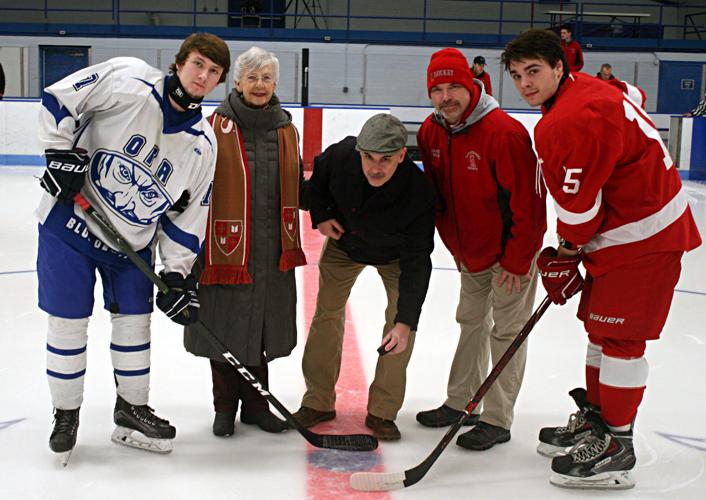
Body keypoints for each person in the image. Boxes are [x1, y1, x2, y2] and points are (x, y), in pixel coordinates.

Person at [502, 28, 701, 490]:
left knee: (621, 342)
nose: (526, 83)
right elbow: (632, 92)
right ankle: (598, 419)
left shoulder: (568, 120)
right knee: (601, 330)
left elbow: (579, 208)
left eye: (534, 71)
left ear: (559, 68)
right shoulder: (594, 89)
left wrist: (567, 253)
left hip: (643, 239)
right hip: (624, 237)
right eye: (517, 75)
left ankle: (617, 444)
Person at [36, 33, 230, 461]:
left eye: (213, 72)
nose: (203, 76)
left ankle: (131, 410)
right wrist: (57, 154)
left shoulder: (203, 144)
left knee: (135, 327)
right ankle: (65, 414)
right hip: (70, 226)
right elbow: (61, 99)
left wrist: (178, 273)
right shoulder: (128, 79)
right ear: (179, 63)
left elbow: (188, 215)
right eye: (198, 64)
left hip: (132, 246)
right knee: (68, 324)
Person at [415, 48, 546, 451]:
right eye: (437, 89)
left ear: (473, 85)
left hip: (510, 257)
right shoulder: (430, 131)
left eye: (455, 85)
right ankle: (461, 403)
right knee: (470, 322)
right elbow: (438, 197)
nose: (446, 96)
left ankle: (497, 417)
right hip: (469, 254)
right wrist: (454, 246)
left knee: (506, 333)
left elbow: (530, 205)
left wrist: (517, 260)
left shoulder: (504, 133)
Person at [184, 47, 307, 438]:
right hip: (224, 252)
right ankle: (224, 409)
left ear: (275, 84)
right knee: (223, 330)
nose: (259, 85)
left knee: (262, 334)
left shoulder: (287, 129)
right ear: (236, 83)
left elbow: (296, 189)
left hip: (271, 254)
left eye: (266, 78)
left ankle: (256, 408)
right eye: (251, 77)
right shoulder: (211, 127)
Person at [292, 113, 435, 441]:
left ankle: (383, 411)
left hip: (396, 257)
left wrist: (406, 321)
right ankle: (318, 401)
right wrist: (322, 216)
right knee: (326, 314)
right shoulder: (340, 156)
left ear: (402, 155)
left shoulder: (419, 191)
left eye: (386, 159)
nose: (376, 167)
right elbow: (315, 188)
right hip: (345, 246)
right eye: (369, 157)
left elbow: (417, 261)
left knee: (400, 329)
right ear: (358, 151)